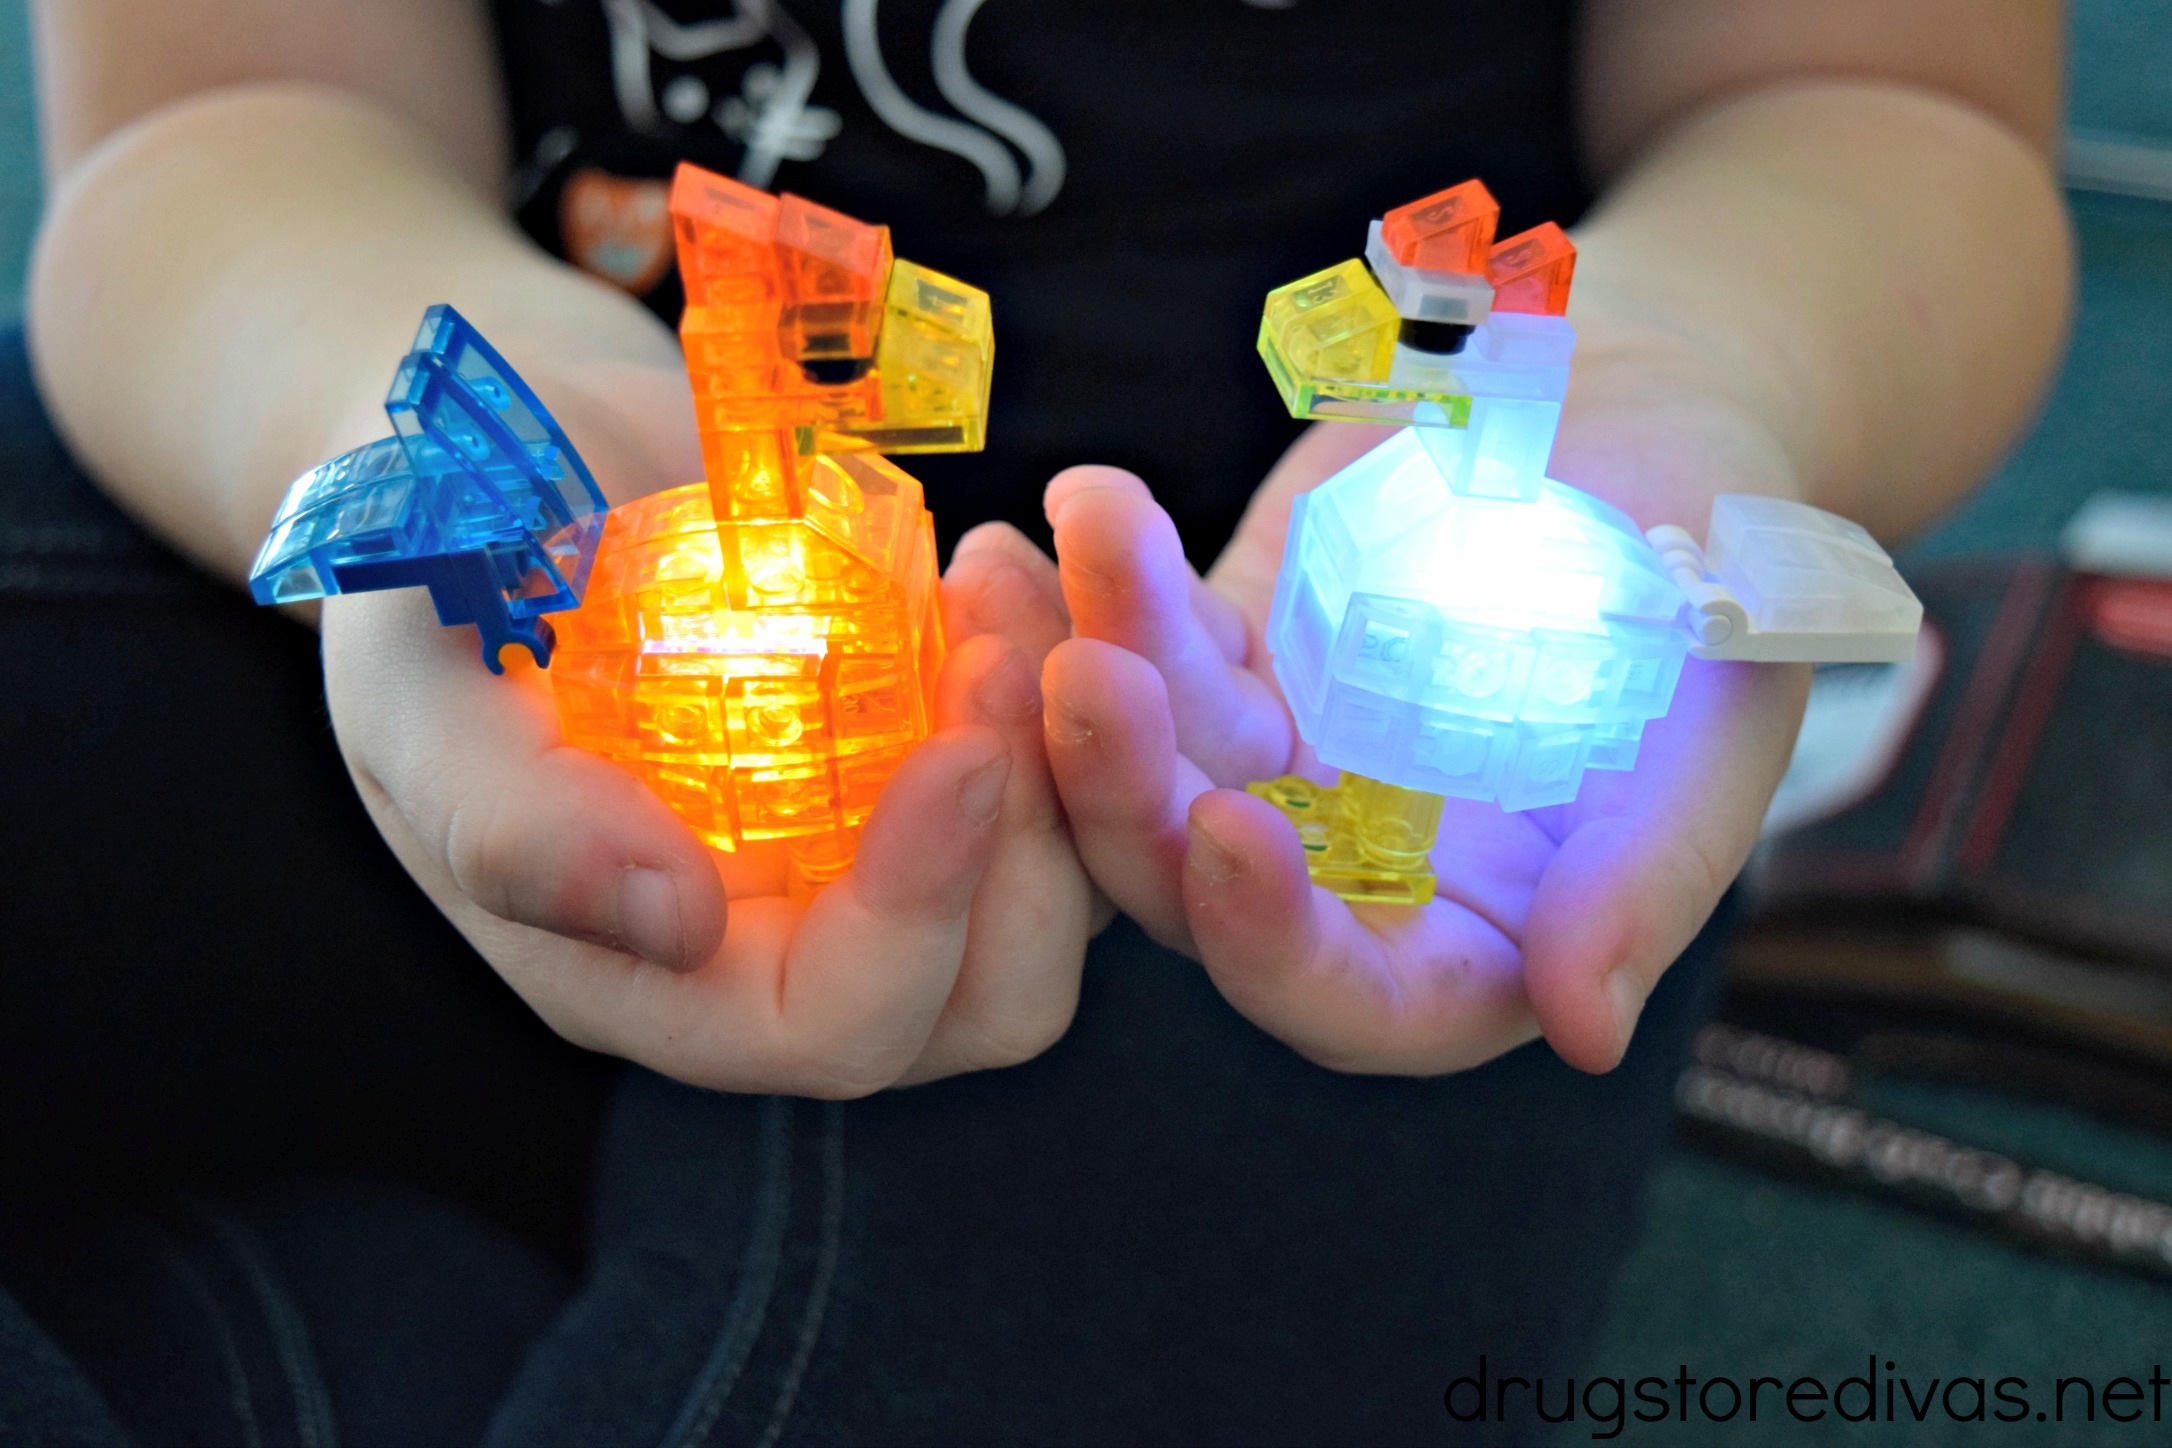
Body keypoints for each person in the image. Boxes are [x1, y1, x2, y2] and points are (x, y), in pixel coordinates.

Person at [1, 0, 2067, 1442]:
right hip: (466, 469)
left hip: (1283, 769)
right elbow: (230, 111)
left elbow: (1872, 98)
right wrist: (458, 445)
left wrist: (1684, 362)